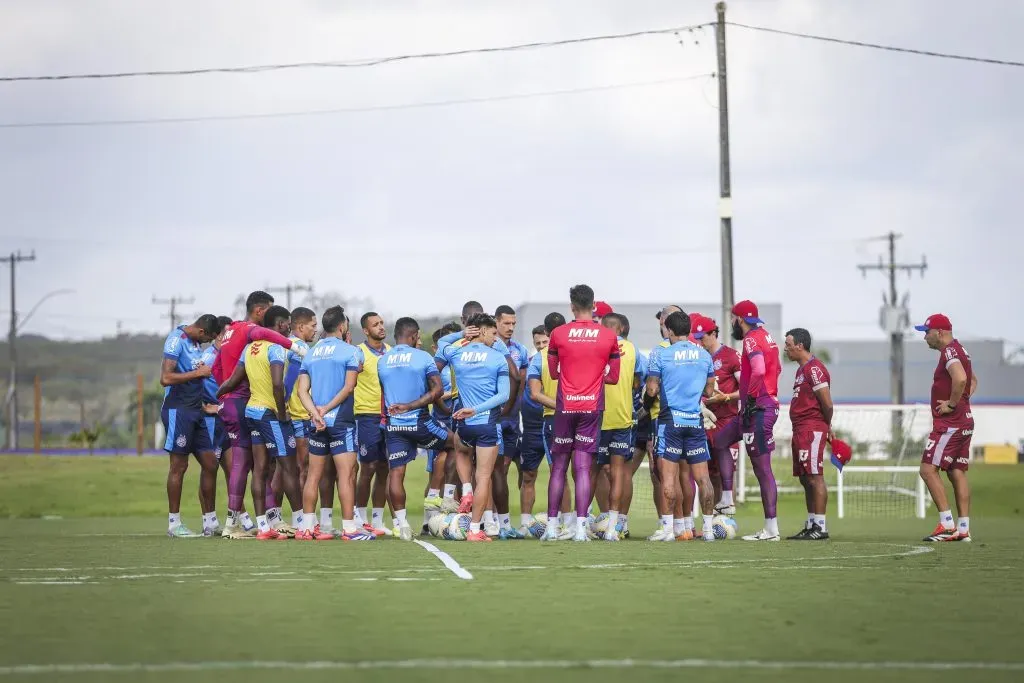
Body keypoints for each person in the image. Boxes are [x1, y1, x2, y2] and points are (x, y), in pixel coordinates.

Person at [213, 291, 300, 537]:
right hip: (246, 402)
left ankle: (268, 521)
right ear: (260, 311)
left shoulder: (232, 330)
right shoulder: (252, 331)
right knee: (247, 464)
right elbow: (268, 339)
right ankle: (232, 525)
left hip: (236, 401)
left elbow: (218, 368)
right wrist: (295, 346)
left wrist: (219, 398)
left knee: (259, 465)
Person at [542, 285, 620, 542]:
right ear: (594, 305)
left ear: (572, 306)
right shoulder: (608, 336)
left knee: (559, 468)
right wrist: (595, 375)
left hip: (565, 406)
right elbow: (615, 377)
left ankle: (552, 527)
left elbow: (553, 373)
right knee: (584, 468)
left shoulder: (558, 334)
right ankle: (580, 529)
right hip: (591, 407)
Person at [295, 306, 376, 541]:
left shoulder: (310, 353)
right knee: (346, 475)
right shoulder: (351, 351)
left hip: (316, 422)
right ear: (342, 327)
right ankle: (350, 528)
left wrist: (315, 413)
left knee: (313, 476)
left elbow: (302, 390)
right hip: (341, 421)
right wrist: (327, 410)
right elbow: (349, 386)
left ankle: (307, 528)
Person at [712, 300, 783, 541]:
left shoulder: (751, 338)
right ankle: (727, 497)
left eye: (733, 318)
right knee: (720, 440)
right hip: (756, 408)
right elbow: (777, 369)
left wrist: (752, 397)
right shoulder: (767, 336)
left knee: (762, 469)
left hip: (759, 409)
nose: (732, 322)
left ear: (738, 319)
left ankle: (771, 529)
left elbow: (760, 369)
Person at [377, 317, 454, 541]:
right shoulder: (423, 357)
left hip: (393, 425)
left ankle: (401, 526)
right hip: (420, 422)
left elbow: (386, 392)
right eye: (418, 336)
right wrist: (415, 406)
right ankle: (438, 496)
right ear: (413, 336)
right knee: (457, 443)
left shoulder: (383, 360)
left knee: (396, 472)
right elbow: (437, 390)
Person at [436, 314, 511, 542]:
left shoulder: (457, 353)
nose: (496, 339)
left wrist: (462, 334)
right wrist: (477, 410)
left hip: (463, 424)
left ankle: (466, 489)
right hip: (485, 423)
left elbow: (441, 344)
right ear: (484, 331)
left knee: (460, 451)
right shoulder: (497, 358)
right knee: (485, 477)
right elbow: (504, 395)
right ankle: (475, 529)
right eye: (494, 333)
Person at [645, 311, 718, 541]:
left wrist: (647, 402)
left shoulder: (662, 355)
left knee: (668, 478)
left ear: (669, 331)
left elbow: (652, 390)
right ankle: (707, 530)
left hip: (670, 422)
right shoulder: (704, 355)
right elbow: (708, 391)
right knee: (703, 479)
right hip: (695, 421)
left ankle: (668, 530)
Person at [915, 314, 977, 542]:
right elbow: (972, 381)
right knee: (956, 471)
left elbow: (961, 379)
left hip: (950, 424)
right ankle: (963, 529)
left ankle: (947, 525)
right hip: (964, 420)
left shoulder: (949, 352)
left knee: (927, 469)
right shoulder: (961, 350)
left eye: (926, 332)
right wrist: (963, 403)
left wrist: (952, 404)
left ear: (939, 332)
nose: (924, 337)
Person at [160, 314, 220, 538]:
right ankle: (174, 524)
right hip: (179, 410)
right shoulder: (176, 340)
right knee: (179, 466)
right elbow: (165, 378)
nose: (206, 344)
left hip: (196, 411)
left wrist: (204, 405)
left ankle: (210, 523)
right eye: (208, 339)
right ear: (202, 332)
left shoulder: (195, 342)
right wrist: (198, 373)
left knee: (211, 463)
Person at [596, 312, 644, 541]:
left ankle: (608, 523)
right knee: (615, 471)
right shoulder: (633, 350)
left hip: (604, 418)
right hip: (618, 417)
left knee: (603, 471)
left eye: (603, 327)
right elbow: (641, 380)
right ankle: (614, 523)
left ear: (615, 329)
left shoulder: (599, 347)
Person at [783, 328, 834, 540]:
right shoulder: (801, 370)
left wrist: (827, 426)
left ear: (800, 346)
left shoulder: (814, 369)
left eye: (788, 344)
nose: (786, 349)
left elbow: (827, 404)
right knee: (805, 478)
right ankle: (811, 523)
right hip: (800, 429)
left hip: (812, 428)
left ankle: (820, 527)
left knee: (815, 476)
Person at [527, 312, 574, 539]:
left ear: (546, 332)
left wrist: (560, 406)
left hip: (554, 419)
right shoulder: (578, 351)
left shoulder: (539, 358)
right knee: (585, 470)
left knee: (560, 472)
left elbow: (535, 394)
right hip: (581, 415)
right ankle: (580, 523)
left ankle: (560, 525)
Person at [693, 314, 742, 515]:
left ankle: (728, 509)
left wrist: (726, 398)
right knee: (709, 472)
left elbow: (746, 389)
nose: (699, 341)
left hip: (727, 421)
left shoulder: (731, 356)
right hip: (705, 422)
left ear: (713, 333)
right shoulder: (699, 357)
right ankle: (712, 515)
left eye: (702, 336)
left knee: (726, 471)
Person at [284, 308, 326, 531]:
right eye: (312, 325)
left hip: (299, 414)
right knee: (304, 468)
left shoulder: (292, 345)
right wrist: (284, 404)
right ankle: (304, 520)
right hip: (299, 415)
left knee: (294, 468)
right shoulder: (297, 347)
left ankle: (300, 517)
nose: (315, 329)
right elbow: (290, 379)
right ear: (300, 327)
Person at [353, 312, 392, 537]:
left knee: (385, 468)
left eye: (381, 323)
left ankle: (377, 520)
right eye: (375, 325)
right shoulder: (359, 352)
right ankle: (360, 518)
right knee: (367, 467)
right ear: (366, 331)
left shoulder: (391, 351)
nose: (380, 327)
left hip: (388, 416)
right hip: (366, 416)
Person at [493, 305, 529, 539]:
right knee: (494, 470)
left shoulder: (521, 351)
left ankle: (502, 521)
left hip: (513, 421)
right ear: (496, 323)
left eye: (513, 324)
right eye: (506, 323)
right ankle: (491, 519)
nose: (510, 328)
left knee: (505, 470)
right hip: (493, 418)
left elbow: (522, 384)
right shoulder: (488, 347)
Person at [199, 316, 236, 537]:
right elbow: (192, 385)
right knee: (209, 468)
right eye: (228, 334)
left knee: (233, 470)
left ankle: (239, 517)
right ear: (220, 335)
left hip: (226, 419)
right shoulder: (207, 358)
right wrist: (204, 407)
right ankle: (209, 521)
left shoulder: (228, 356)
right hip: (211, 423)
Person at [517, 324, 549, 533]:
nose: (541, 346)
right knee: (528, 475)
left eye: (545, 342)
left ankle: (564, 521)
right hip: (530, 430)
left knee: (559, 474)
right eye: (537, 343)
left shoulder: (561, 363)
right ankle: (524, 524)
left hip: (554, 426)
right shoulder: (530, 365)